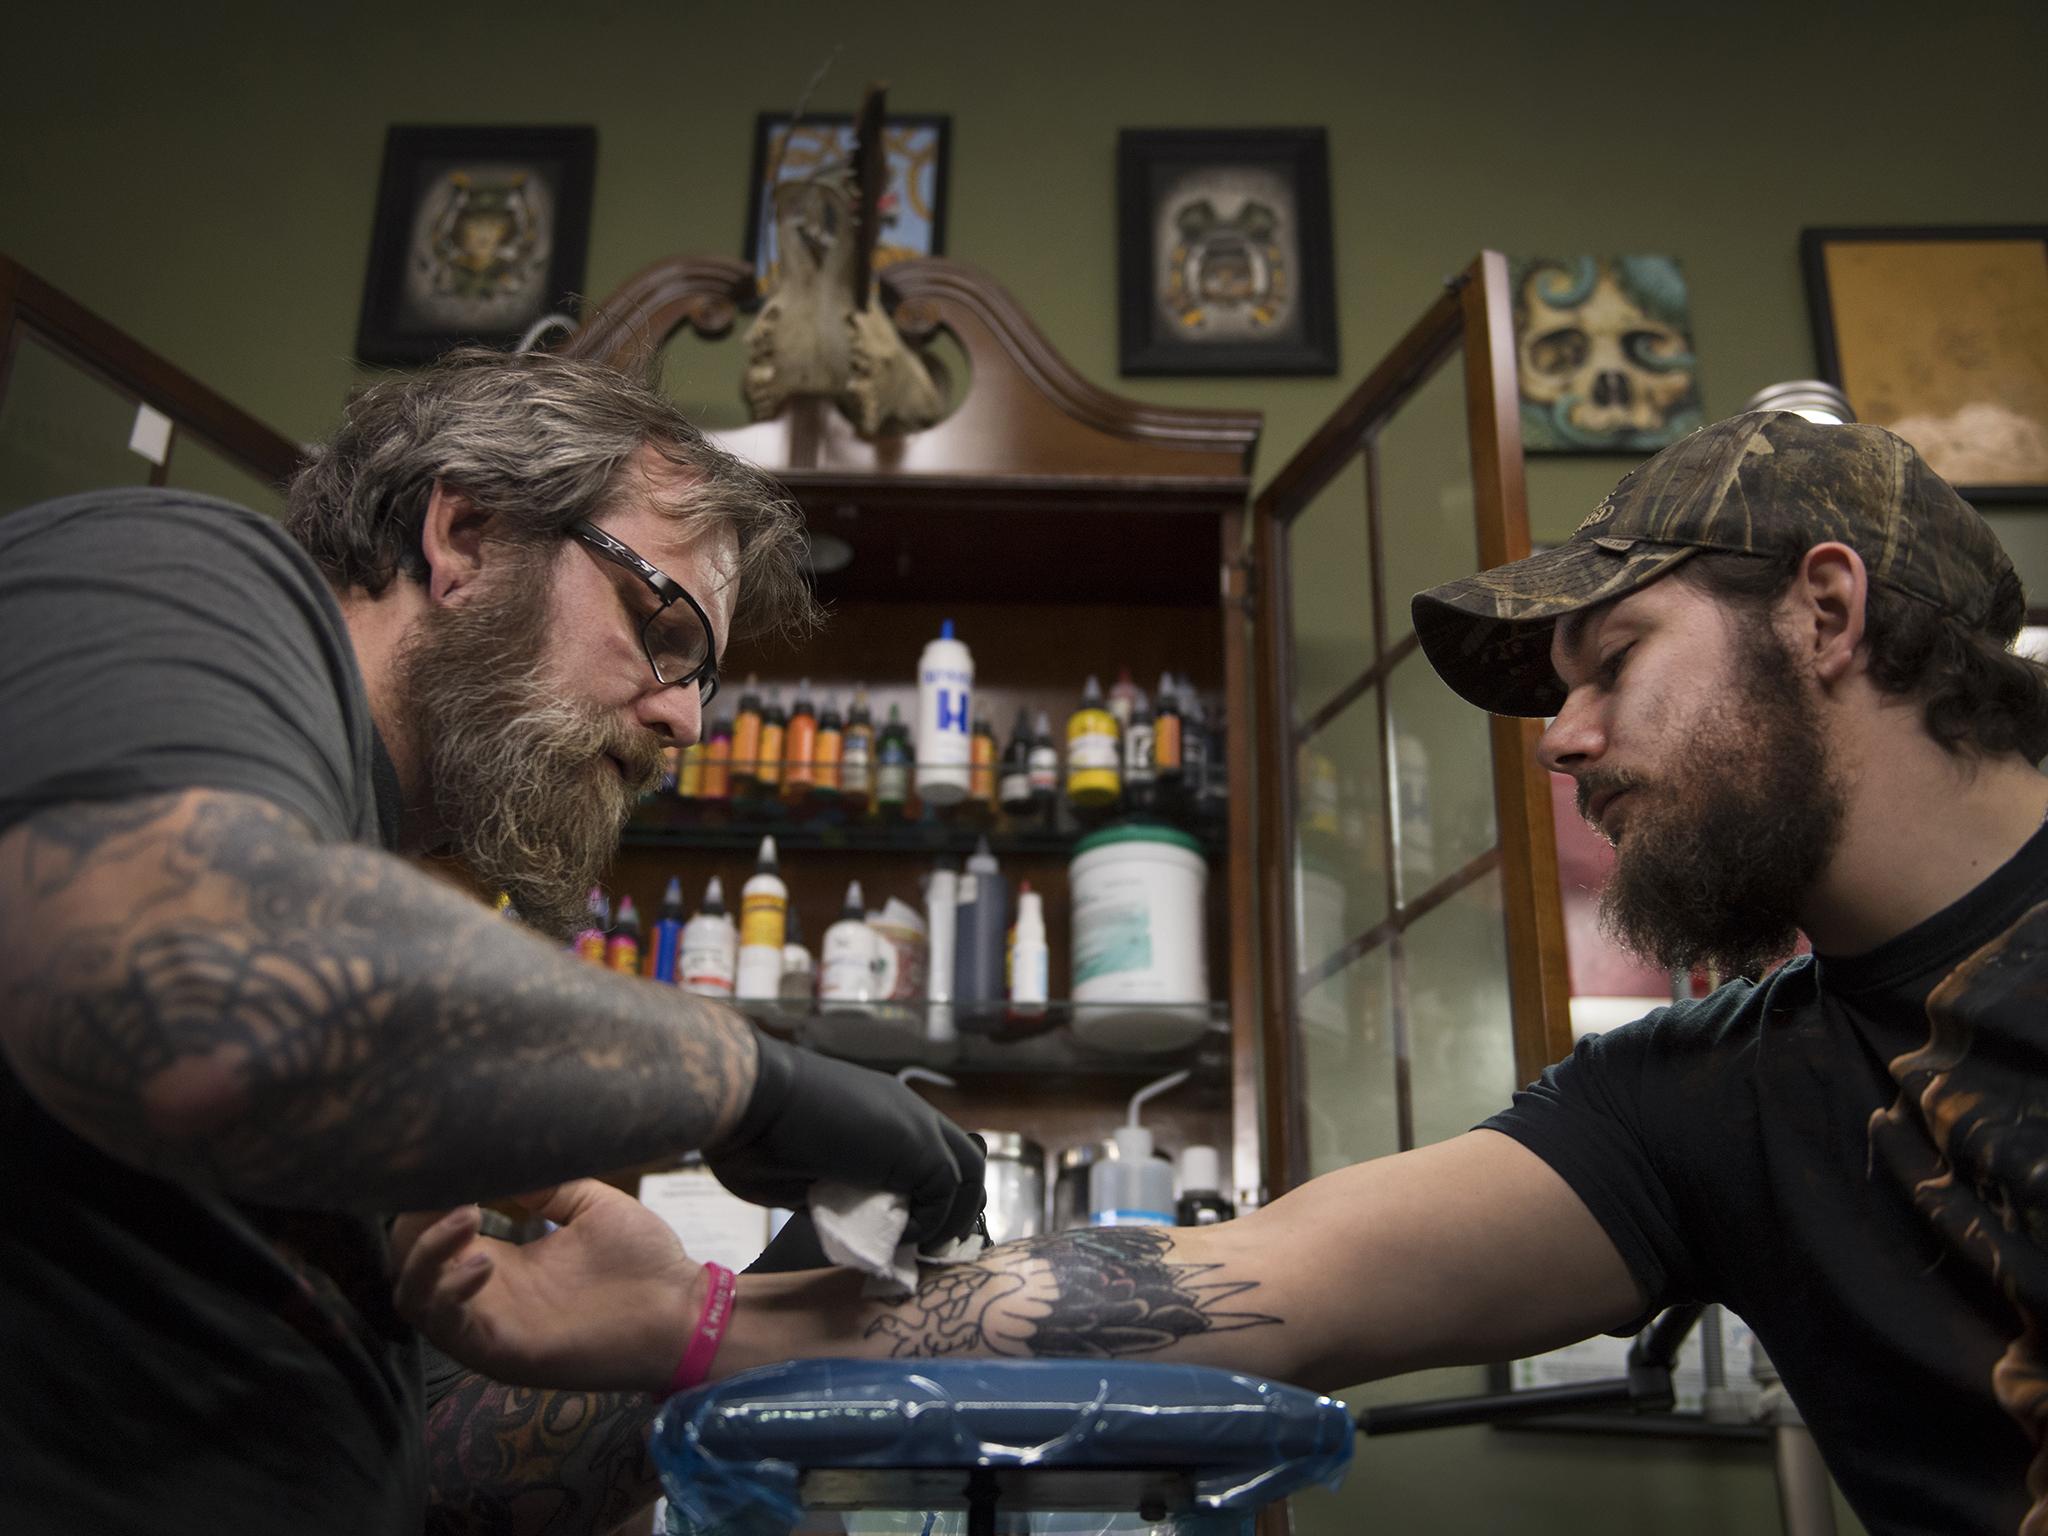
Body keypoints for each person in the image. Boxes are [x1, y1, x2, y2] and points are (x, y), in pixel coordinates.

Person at [394, 412, 2048, 1536]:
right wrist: (682, 1316)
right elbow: (1231, 1295)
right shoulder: (1706, 1103)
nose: (1565, 744)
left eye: (1610, 662)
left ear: (1821, 611)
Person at [0, 348, 985, 1536]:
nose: (683, 718)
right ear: (465, 535)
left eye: (705, 682)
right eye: (660, 626)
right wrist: (749, 1085)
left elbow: (454, 1478)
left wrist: (706, 1326)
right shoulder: (184, 575)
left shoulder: (392, 922)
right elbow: (186, 971)